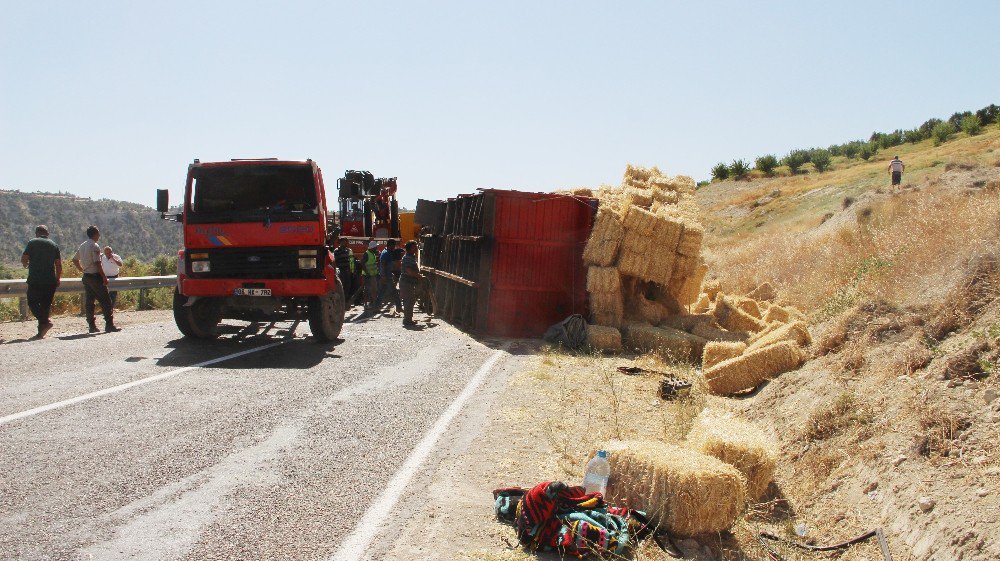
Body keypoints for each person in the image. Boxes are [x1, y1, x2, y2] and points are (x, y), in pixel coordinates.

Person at [72, 225, 120, 333]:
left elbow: (75, 259)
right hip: (95, 276)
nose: (99, 235)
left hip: (86, 276)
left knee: (90, 301)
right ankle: (109, 325)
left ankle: (92, 326)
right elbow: (97, 263)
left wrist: (82, 269)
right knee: (106, 301)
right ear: (94, 234)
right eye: (98, 233)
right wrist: (104, 277)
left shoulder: (83, 245)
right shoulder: (95, 246)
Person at [21, 225, 62, 339]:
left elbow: (24, 258)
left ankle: (45, 322)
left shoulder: (32, 242)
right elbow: (58, 264)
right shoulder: (54, 245)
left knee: (32, 302)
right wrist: (58, 278)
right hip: (50, 281)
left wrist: (26, 265)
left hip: (35, 279)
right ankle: (41, 331)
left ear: (36, 233)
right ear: (47, 234)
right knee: (45, 306)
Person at [374, 239, 402, 315]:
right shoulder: (386, 253)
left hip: (386, 275)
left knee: (382, 292)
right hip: (386, 276)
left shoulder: (386, 252)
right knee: (394, 292)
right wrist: (383, 276)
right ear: (390, 245)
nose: (394, 247)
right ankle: (399, 307)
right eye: (393, 246)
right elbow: (382, 265)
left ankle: (376, 307)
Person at [399, 241, 421, 326]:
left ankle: (408, 319)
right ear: (409, 249)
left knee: (410, 301)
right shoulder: (408, 258)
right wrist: (419, 276)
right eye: (414, 247)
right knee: (409, 301)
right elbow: (409, 271)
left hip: (409, 283)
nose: (416, 248)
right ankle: (407, 320)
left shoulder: (411, 257)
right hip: (407, 283)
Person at [333, 237, 356, 303]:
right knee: (341, 286)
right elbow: (335, 261)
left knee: (348, 286)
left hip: (348, 271)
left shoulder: (349, 250)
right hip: (341, 271)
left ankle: (345, 301)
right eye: (344, 241)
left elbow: (352, 261)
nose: (345, 243)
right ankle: (340, 301)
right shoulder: (336, 251)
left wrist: (352, 270)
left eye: (346, 241)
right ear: (340, 242)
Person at [360, 240, 380, 309]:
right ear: (373, 247)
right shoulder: (367, 253)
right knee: (368, 290)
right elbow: (362, 263)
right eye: (376, 247)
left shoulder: (373, 253)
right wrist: (367, 273)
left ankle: (372, 303)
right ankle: (367, 304)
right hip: (367, 275)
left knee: (373, 290)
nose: (377, 248)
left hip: (372, 275)